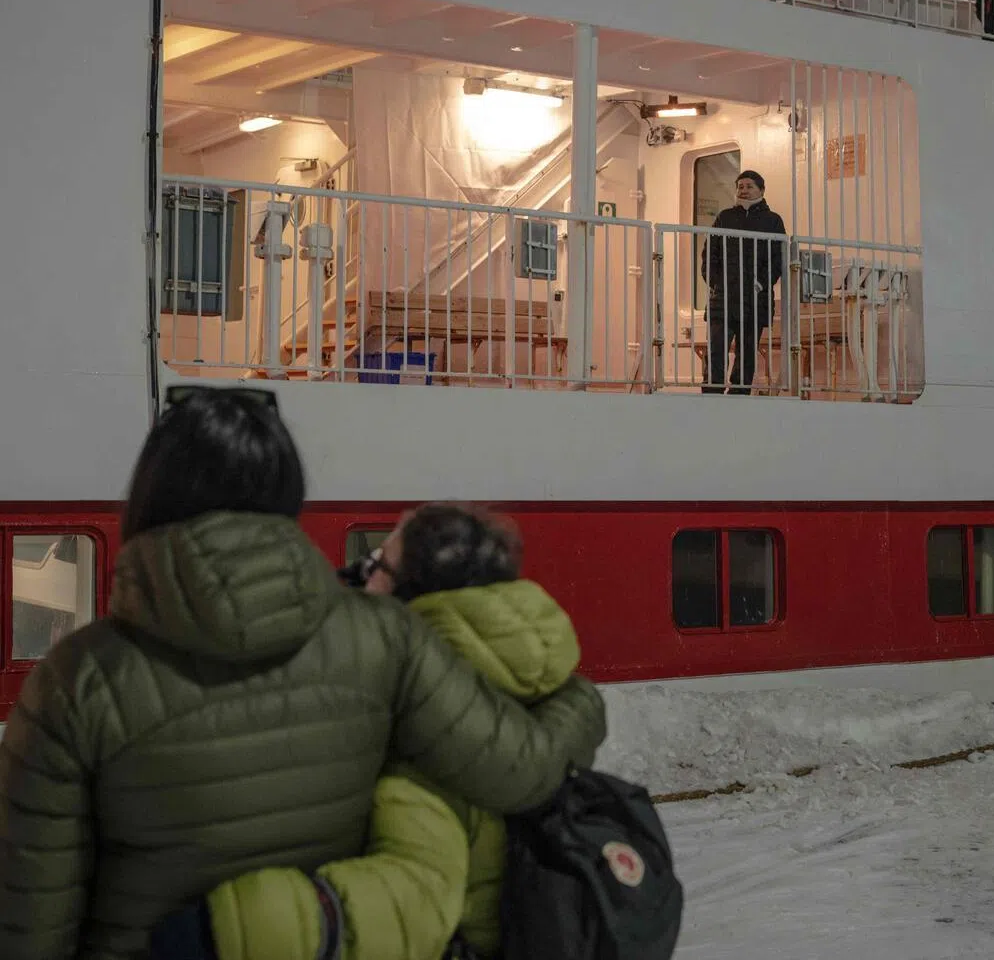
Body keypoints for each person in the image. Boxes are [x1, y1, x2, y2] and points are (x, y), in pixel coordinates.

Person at [0, 387, 606, 960]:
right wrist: (576, 697)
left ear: (151, 494)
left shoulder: (76, 679)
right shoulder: (384, 638)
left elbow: (29, 920)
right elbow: (526, 773)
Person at [152, 503, 584, 960]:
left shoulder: (429, 714)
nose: (360, 579)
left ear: (412, 589)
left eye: (374, 566)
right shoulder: (497, 680)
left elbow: (418, 896)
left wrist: (225, 928)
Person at [700, 170, 786, 395]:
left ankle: (739, 395)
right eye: (740, 186)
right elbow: (710, 255)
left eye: (749, 186)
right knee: (716, 349)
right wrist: (716, 283)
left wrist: (762, 283)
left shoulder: (773, 221)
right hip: (723, 297)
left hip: (754, 299)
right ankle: (712, 394)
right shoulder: (724, 217)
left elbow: (778, 258)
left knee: (747, 352)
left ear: (761, 190)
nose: (744, 190)